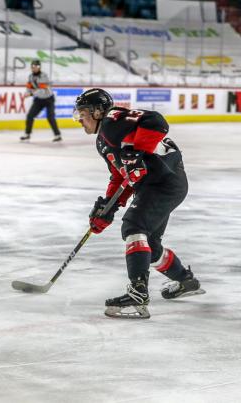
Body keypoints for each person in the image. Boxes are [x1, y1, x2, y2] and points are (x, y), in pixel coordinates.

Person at [74, 88, 204, 319]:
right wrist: (108, 206)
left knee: (134, 227)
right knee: (150, 246)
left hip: (163, 181)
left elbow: (156, 121)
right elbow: (120, 176)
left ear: (97, 111)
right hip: (158, 184)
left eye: (82, 113)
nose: (80, 120)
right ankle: (186, 281)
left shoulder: (112, 120)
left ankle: (138, 293)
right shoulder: (102, 141)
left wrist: (137, 152)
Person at [21, 60, 61, 142]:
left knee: (50, 117)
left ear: (39, 67)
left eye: (36, 67)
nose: (34, 68)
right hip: (38, 100)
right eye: (33, 67)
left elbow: (42, 90)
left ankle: (57, 135)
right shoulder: (30, 77)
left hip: (48, 99)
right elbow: (29, 88)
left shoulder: (44, 76)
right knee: (30, 116)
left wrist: (31, 94)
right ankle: (27, 134)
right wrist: (26, 93)